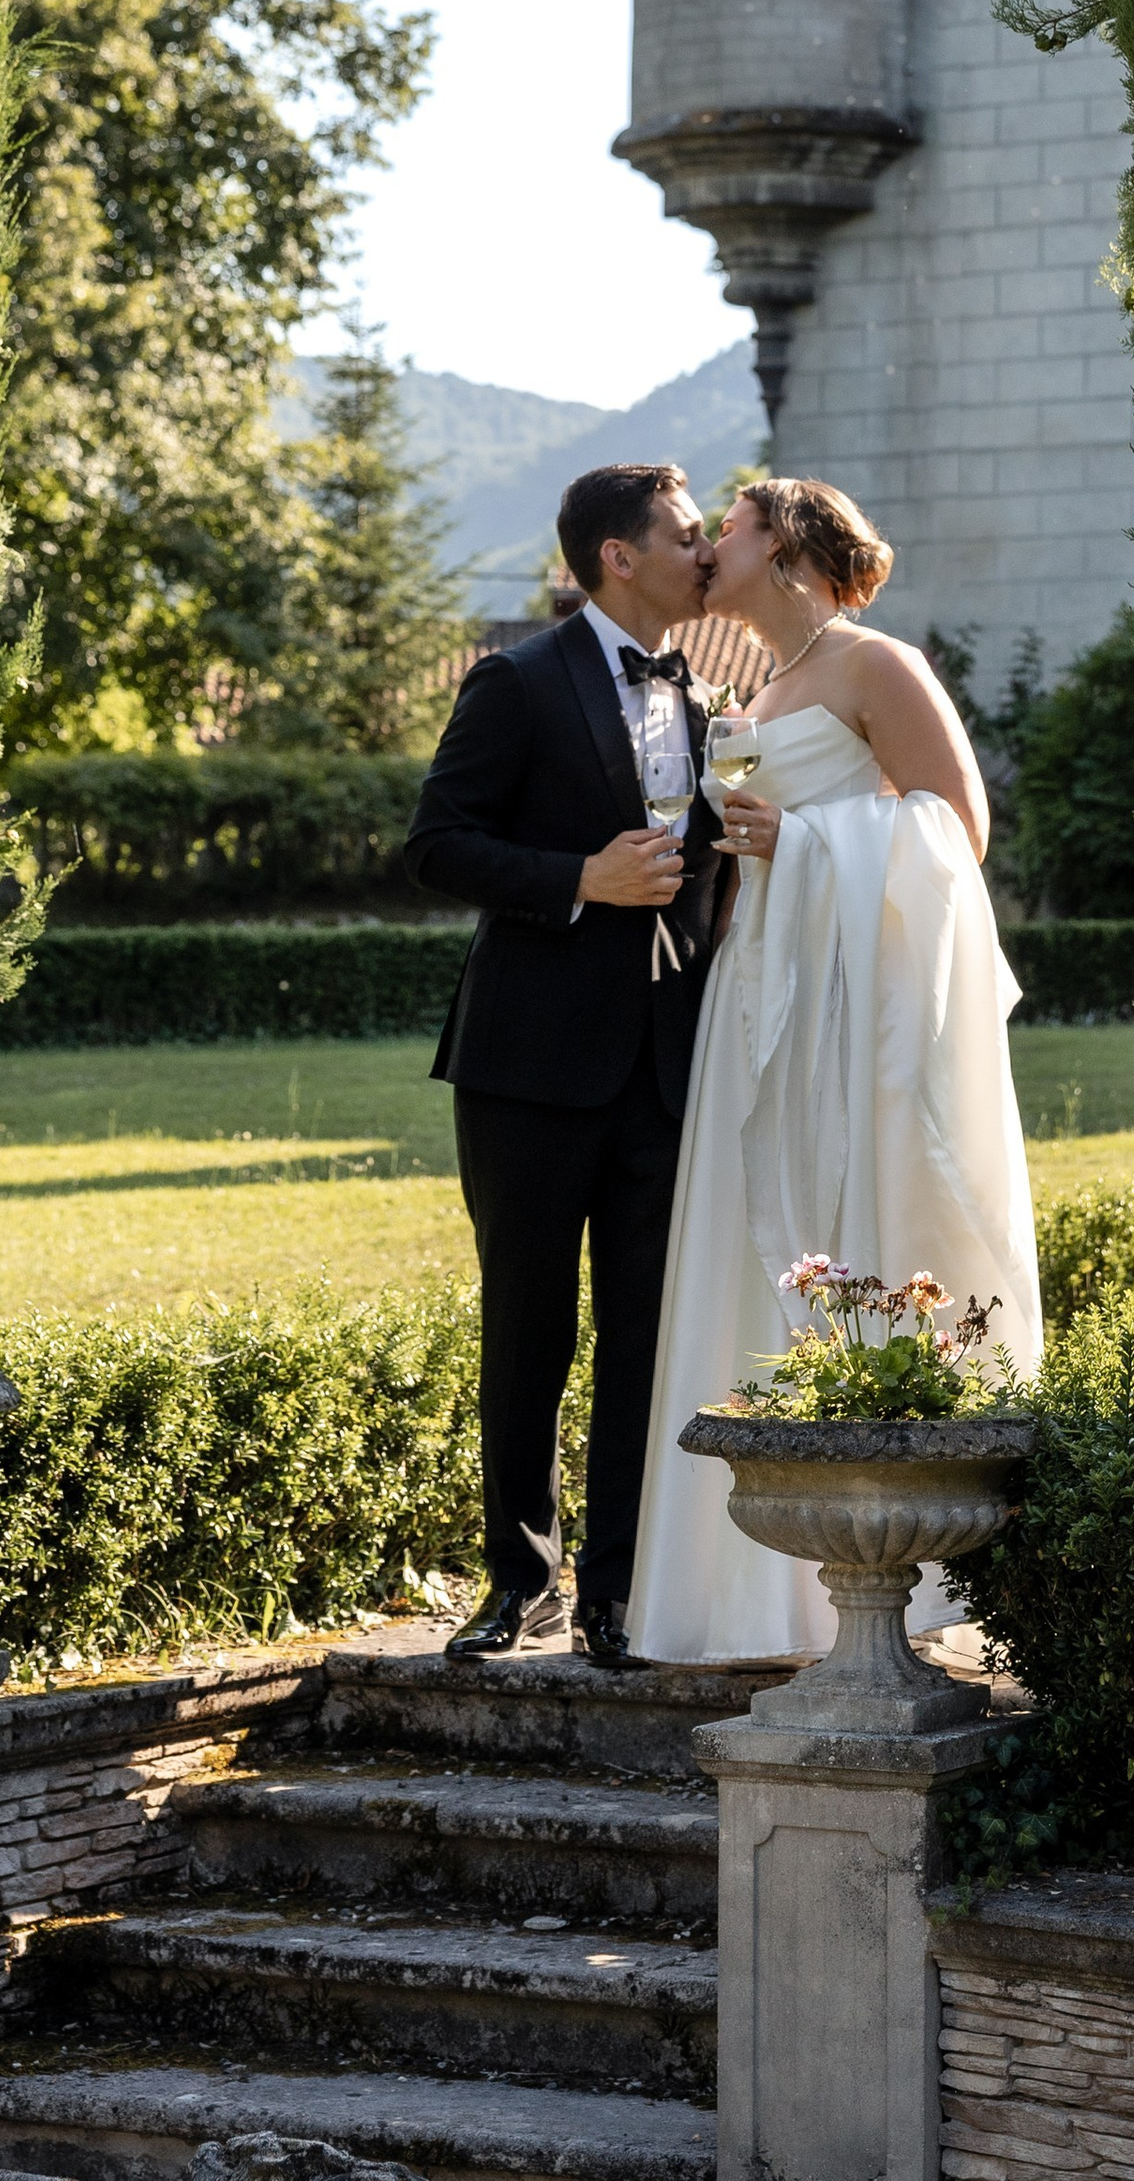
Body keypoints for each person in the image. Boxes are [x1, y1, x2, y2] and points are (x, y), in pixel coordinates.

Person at [629, 475, 1042, 1663]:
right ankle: (741, 1592)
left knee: (852, 1213)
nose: (710, 547)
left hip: (850, 1002)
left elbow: (955, 831)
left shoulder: (879, 666)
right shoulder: (752, 685)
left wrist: (808, 845)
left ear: (790, 546)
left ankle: (880, 1572)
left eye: (733, 529)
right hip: (758, 983)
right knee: (745, 1225)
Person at [403, 461, 732, 1667]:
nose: (707, 553)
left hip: (663, 1068)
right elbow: (436, 847)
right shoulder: (517, 681)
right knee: (527, 1332)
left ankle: (618, 1593)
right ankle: (517, 1584)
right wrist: (574, 881)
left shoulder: (710, 702)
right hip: (526, 1069)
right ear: (618, 556)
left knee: (646, 1338)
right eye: (688, 534)